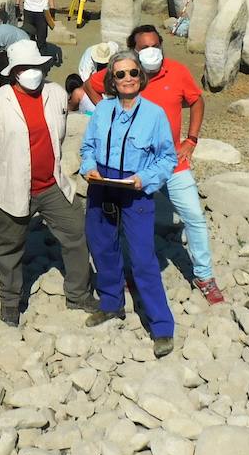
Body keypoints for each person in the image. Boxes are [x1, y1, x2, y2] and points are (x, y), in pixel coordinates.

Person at [85, 24, 223, 304]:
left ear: (161, 45)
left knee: (194, 217)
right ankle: (125, 275)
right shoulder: (125, 74)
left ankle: (204, 276)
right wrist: (107, 112)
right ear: (133, 51)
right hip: (131, 167)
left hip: (170, 163)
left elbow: (197, 100)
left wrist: (192, 139)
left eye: (155, 45)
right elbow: (90, 85)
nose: (151, 52)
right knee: (121, 221)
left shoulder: (178, 71)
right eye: (143, 47)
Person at [0, 41, 97, 326]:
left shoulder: (55, 93)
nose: (33, 72)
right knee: (8, 247)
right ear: (14, 72)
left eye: (37, 66)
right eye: (26, 68)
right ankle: (10, 301)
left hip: (52, 185)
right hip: (13, 187)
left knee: (75, 233)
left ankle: (78, 294)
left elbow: (60, 133)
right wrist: (5, 169)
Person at [79, 51, 178, 358]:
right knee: (101, 244)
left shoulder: (154, 114)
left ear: (141, 75)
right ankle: (111, 304)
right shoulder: (102, 109)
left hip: (135, 187)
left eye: (132, 72)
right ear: (111, 78)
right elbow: (88, 146)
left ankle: (161, 326)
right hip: (102, 183)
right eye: (120, 74)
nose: (127, 79)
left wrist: (145, 179)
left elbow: (167, 158)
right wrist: (88, 166)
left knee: (142, 256)